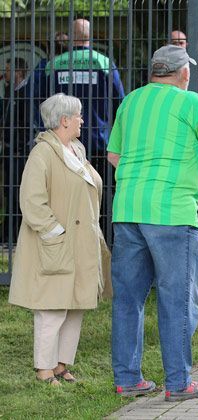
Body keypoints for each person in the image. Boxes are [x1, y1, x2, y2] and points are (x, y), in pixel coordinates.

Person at [107, 45, 198, 401]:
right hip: (173, 214)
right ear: (184, 74)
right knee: (177, 300)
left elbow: (114, 155)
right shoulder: (193, 103)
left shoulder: (131, 101)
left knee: (128, 299)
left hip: (128, 208)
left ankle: (128, 379)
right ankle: (178, 383)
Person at [8, 93, 111, 386]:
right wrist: (56, 232)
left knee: (75, 304)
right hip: (55, 243)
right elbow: (31, 201)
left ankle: (61, 365)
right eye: (78, 115)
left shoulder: (76, 149)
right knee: (51, 308)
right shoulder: (42, 153)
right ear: (64, 120)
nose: (82, 120)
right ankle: (43, 369)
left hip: (81, 242)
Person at [45, 19, 125, 175]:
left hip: (63, 141)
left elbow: (41, 99)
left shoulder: (54, 64)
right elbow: (120, 102)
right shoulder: (104, 63)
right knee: (99, 190)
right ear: (90, 35)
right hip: (99, 140)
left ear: (70, 36)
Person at [2, 58, 30, 242]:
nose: (5, 74)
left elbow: (25, 125)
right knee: (10, 192)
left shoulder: (26, 95)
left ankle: (12, 236)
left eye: (8, 70)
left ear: (18, 72)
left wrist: (19, 147)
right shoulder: (12, 93)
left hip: (19, 152)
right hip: (11, 150)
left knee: (16, 192)